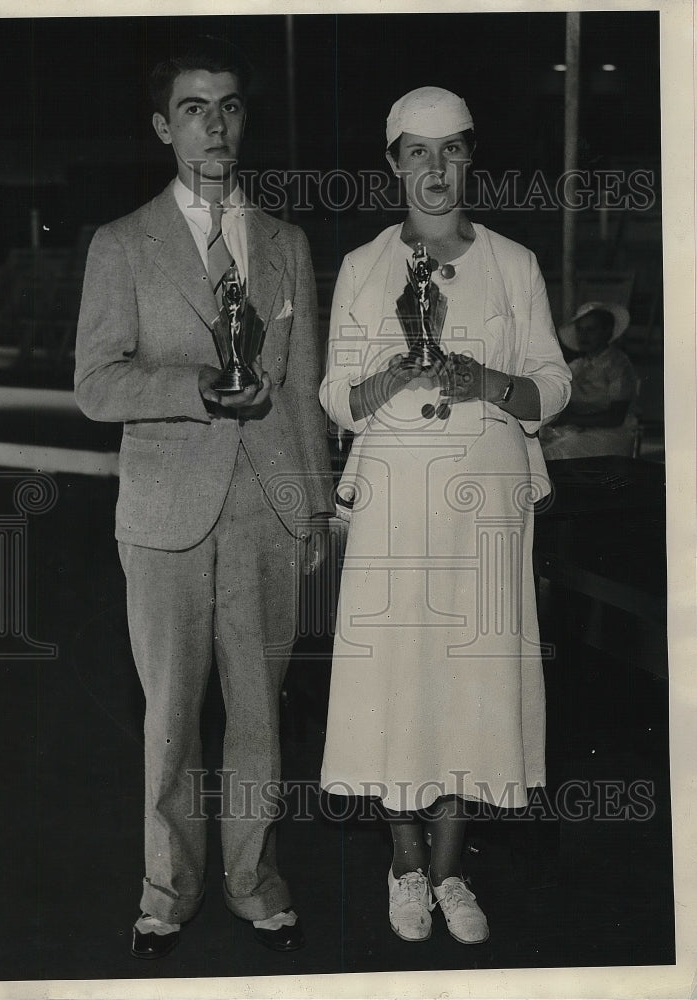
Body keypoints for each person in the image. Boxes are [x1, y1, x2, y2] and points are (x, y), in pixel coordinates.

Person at [74, 36, 332, 958]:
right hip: (164, 518)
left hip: (267, 506)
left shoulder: (289, 244)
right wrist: (191, 390)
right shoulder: (121, 245)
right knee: (172, 718)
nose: (213, 122)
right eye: (192, 107)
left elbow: (300, 388)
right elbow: (97, 386)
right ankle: (166, 889)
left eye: (227, 105)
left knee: (260, 713)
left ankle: (254, 880)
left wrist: (315, 509)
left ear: (241, 120)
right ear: (162, 127)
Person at [319, 87, 571, 946]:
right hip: (394, 500)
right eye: (416, 152)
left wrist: (490, 383)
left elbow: (553, 384)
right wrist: (392, 375)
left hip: (487, 510)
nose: (434, 169)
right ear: (391, 163)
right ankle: (404, 864)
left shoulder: (514, 263)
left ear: (470, 159)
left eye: (451, 151)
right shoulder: (361, 266)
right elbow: (334, 397)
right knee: (397, 676)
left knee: (471, 681)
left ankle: (452, 865)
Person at [540, 301, 638, 460]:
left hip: (611, 435)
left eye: (591, 329)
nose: (583, 335)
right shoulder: (575, 366)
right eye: (580, 330)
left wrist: (568, 419)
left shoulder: (618, 365)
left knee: (555, 453)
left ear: (607, 331)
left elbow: (615, 417)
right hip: (578, 430)